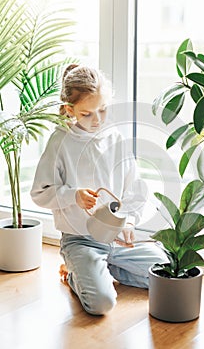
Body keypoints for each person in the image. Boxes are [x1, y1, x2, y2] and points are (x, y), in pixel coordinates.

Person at [30, 64, 167, 316]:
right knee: (101, 304)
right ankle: (76, 274)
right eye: (87, 114)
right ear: (70, 110)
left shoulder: (114, 137)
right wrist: (72, 195)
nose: (97, 120)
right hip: (80, 240)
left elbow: (135, 189)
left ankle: (101, 270)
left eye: (103, 110)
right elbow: (40, 192)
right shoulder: (60, 142)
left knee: (168, 275)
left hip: (116, 238)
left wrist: (129, 223)